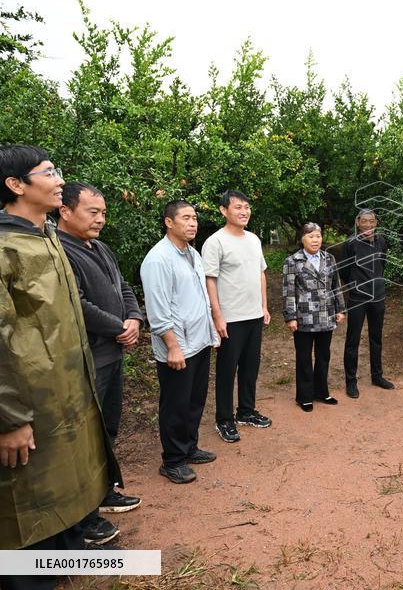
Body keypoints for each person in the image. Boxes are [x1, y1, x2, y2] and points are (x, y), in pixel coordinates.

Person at [0, 145, 121, 588]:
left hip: (70, 393)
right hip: (29, 404)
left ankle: (66, 563)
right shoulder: (6, 246)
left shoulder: (48, 236)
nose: (58, 180)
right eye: (48, 172)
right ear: (16, 185)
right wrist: (10, 418)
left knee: (71, 490)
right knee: (29, 504)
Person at [56, 182, 143, 546]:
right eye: (93, 212)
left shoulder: (101, 247)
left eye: (104, 212)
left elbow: (123, 286)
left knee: (107, 428)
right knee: (85, 438)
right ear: (65, 210)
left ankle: (105, 490)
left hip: (113, 354)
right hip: (88, 358)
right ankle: (84, 518)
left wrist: (135, 318)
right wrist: (117, 326)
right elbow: (75, 303)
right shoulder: (60, 251)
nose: (101, 219)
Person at [141, 200, 220, 484]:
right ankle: (172, 460)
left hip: (198, 341)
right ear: (169, 222)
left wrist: (211, 332)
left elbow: (199, 299)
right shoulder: (158, 259)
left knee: (194, 401)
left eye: (195, 218)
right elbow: (158, 311)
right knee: (175, 404)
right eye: (185, 218)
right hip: (178, 347)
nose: (192, 223)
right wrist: (172, 346)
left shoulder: (192, 254)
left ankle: (189, 447)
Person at [202, 190, 272, 444]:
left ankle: (246, 411)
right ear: (224, 211)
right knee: (226, 370)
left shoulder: (253, 239)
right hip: (230, 318)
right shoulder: (215, 242)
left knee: (250, 367)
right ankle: (224, 419)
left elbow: (261, 273)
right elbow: (210, 279)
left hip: (253, 315)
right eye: (238, 207)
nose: (244, 212)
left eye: (247, 207)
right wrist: (217, 315)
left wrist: (264, 306)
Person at [283, 222, 346, 411]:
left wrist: (340, 309)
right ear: (302, 239)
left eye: (318, 236)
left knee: (323, 356)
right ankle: (304, 396)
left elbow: (336, 285)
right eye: (311, 236)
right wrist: (290, 317)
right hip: (304, 318)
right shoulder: (293, 261)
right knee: (304, 357)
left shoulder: (329, 258)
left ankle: (321, 392)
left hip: (326, 315)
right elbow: (288, 291)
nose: (315, 240)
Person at [339, 208, 393, 398]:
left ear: (376, 223)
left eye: (372, 221)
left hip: (378, 297)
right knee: (352, 341)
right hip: (357, 299)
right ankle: (351, 381)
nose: (368, 225)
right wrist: (356, 286)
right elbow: (344, 271)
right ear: (357, 223)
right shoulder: (350, 243)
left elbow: (382, 264)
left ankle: (377, 376)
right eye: (364, 221)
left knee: (376, 338)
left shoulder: (381, 241)